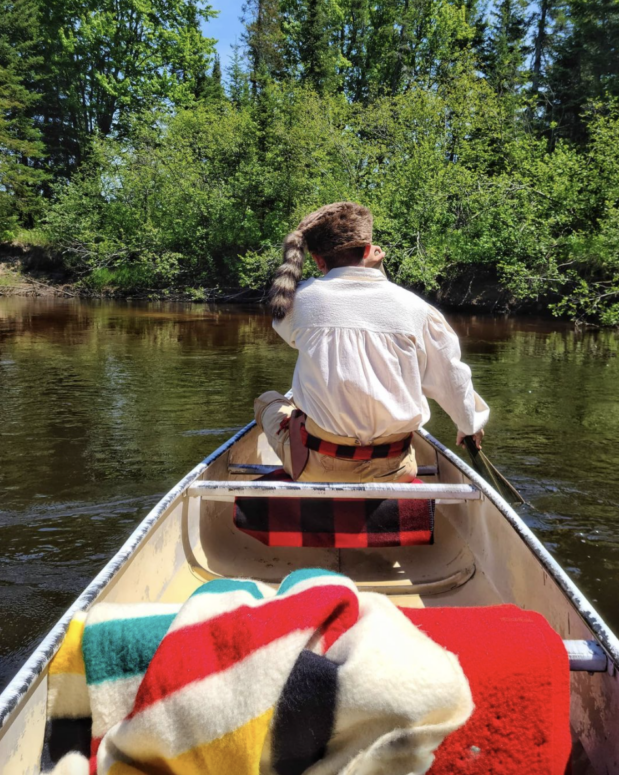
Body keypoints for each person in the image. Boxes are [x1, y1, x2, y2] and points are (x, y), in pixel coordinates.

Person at [254, 201, 489, 482]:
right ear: (367, 250)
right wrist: (470, 424)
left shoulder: (300, 300)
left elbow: (285, 330)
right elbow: (451, 377)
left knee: (268, 401)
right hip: (395, 468)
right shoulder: (417, 309)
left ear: (317, 260)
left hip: (318, 466)